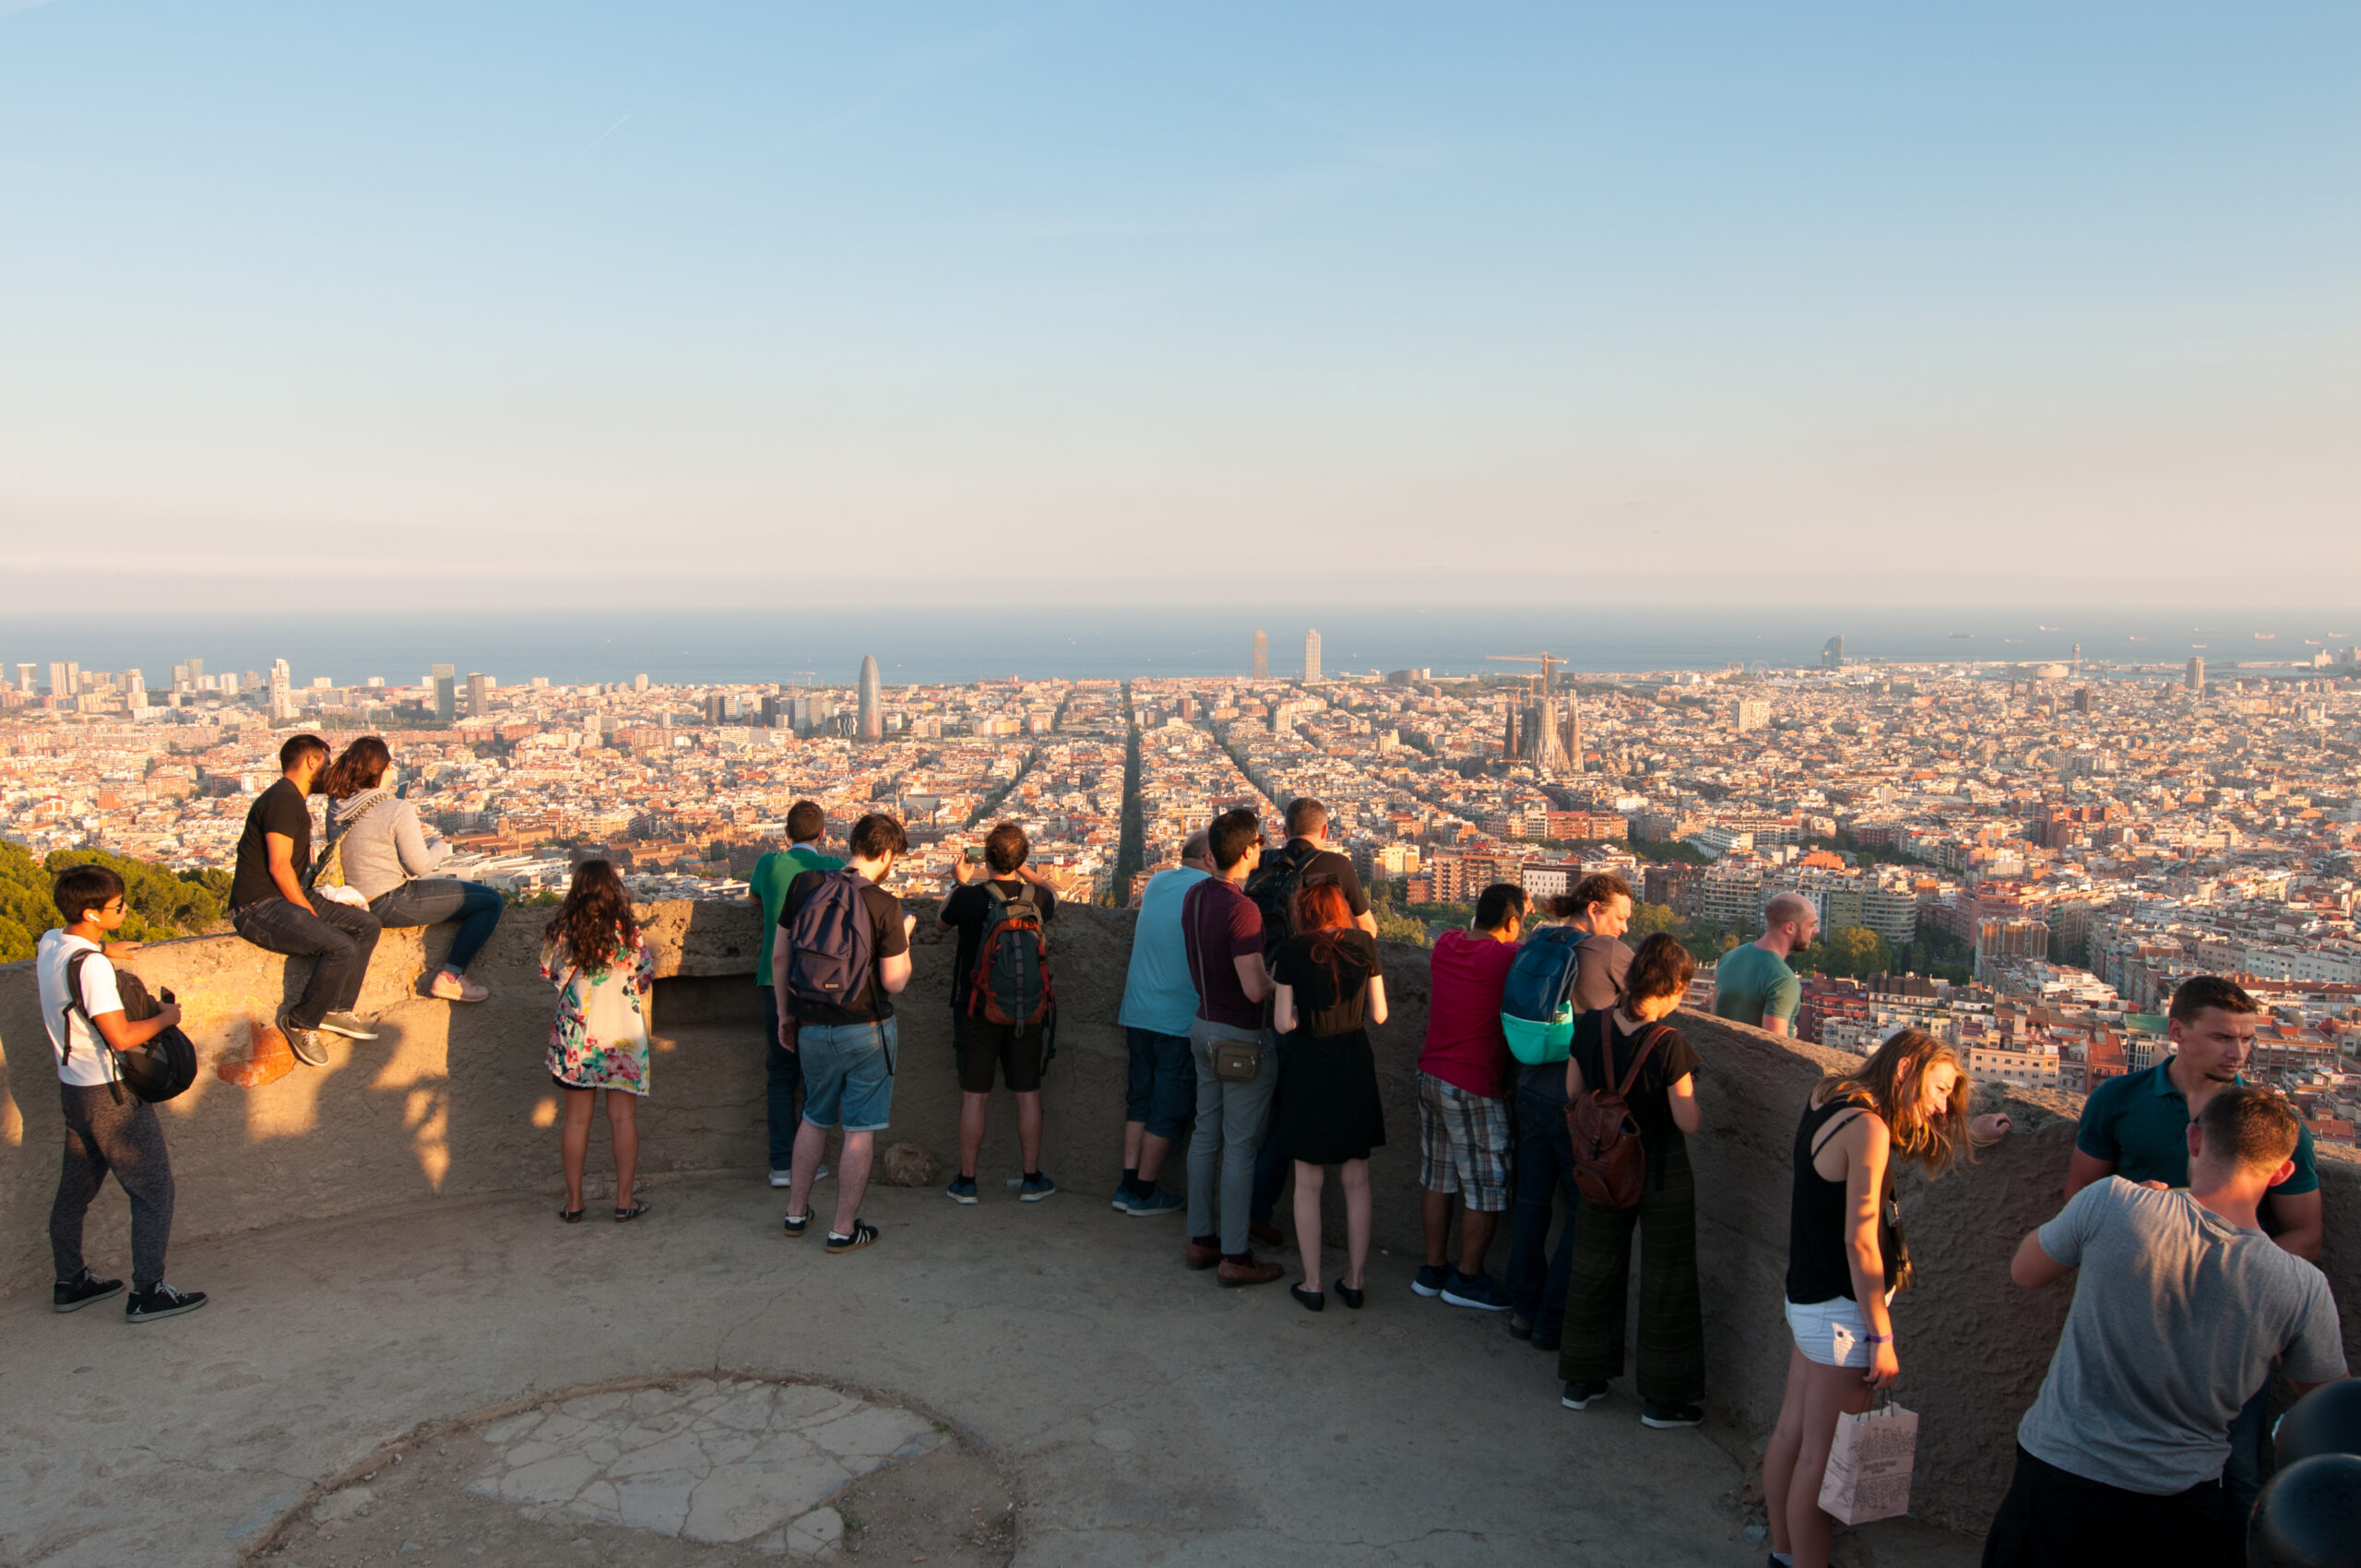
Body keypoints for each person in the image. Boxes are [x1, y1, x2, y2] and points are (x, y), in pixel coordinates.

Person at [1985, 1086, 2346, 1568]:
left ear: (2193, 1139)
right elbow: (2330, 1404)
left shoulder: (2115, 1203)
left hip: (2062, 1470)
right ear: (2283, 1172)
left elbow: (2025, 1271)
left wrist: (2143, 1204)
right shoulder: (2301, 1286)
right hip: (2182, 1497)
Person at [2065, 974, 2325, 1521]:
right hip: (2131, 1317)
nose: (2239, 1052)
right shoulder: (2119, 1101)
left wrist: (2242, 1284)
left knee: (2239, 1476)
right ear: (2178, 1031)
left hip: (2230, 1327)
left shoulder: (2274, 1125)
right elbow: (2080, 1200)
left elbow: (2305, 1231)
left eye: (2248, 1039)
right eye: (2223, 1037)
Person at [1762, 1028, 2011, 1568]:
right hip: (1842, 1316)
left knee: (1790, 1436)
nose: (1942, 1104)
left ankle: (1782, 1553)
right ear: (1904, 1071)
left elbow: (1884, 1146)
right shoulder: (1870, 1128)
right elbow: (1861, 1240)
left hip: (1806, 1299)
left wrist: (1965, 1131)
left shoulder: (1831, 1094)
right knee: (1821, 1462)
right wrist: (1882, 1335)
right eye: (1940, 1089)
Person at [39, 863, 206, 1323]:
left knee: (75, 1189)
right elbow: (122, 1037)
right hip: (110, 1095)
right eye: (117, 906)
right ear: (92, 912)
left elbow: (79, 961)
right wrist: (168, 1017)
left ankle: (69, 1281)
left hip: (73, 1088)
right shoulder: (91, 966)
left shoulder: (52, 943)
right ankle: (148, 1292)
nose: (125, 909)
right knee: (154, 1190)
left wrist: (106, 948)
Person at [1557, 934, 1705, 1427]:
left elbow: (1574, 1092)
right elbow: (1687, 1122)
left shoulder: (1589, 1026)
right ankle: (1664, 1399)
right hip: (1659, 1165)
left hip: (1602, 1159)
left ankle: (1581, 1378)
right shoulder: (1670, 1045)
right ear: (1672, 988)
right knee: (1668, 1276)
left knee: (1594, 1263)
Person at [1502, 874, 1634, 1346]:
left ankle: (1522, 1307)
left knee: (1532, 1204)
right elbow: (1654, 1003)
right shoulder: (1608, 952)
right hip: (1577, 1102)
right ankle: (1553, 1319)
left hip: (1529, 1086)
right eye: (1619, 918)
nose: (1622, 929)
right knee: (1582, 1214)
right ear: (1595, 908)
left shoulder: (1538, 937)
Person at [773, 813, 913, 1256]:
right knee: (859, 1130)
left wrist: (785, 1016)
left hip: (811, 1023)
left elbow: (780, 958)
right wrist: (905, 936)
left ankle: (796, 1211)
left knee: (814, 1116)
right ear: (887, 855)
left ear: (851, 843)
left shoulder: (804, 886)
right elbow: (895, 982)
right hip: (866, 1028)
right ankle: (842, 1228)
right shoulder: (885, 905)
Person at [1246, 796, 1377, 1243]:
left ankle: (1249, 1209)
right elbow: (1367, 932)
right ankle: (1254, 1210)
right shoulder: (1336, 865)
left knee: (1271, 1113)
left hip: (1270, 993)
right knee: (1295, 1123)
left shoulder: (1264, 861)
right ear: (1324, 830)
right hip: (1325, 1019)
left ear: (1287, 828)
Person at [227, 733, 383, 1067]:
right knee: (340, 947)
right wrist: (306, 909)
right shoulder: (283, 800)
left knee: (366, 925)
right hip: (258, 906)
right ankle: (301, 1020)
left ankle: (337, 1009)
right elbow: (279, 865)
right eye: (326, 762)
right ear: (312, 761)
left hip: (282, 897)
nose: (330, 770)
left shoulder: (290, 800)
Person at [1271, 882, 1390, 1313]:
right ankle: (1355, 1282)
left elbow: (1282, 1022)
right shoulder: (1364, 944)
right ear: (1340, 909)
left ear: (1303, 912)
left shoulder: (1291, 952)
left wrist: (1307, 1016)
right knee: (1357, 1180)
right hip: (1355, 1065)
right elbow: (1379, 1014)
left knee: (1308, 1181)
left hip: (1310, 1066)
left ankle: (1314, 1283)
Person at [1182, 808, 1284, 1288]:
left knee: (1206, 1135)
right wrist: (1277, 978)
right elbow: (1253, 989)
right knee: (1241, 1147)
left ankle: (1201, 1239)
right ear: (1247, 851)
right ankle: (1236, 1255)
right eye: (1258, 844)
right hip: (1239, 1035)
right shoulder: (1242, 909)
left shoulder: (1195, 895)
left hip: (1201, 1025)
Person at [321, 736, 503, 1003]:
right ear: (382, 771)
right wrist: (442, 847)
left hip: (353, 901)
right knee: (490, 901)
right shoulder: (395, 808)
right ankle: (451, 976)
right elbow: (420, 866)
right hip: (390, 900)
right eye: (389, 766)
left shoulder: (336, 806)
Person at [1414, 882, 1526, 1312]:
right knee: (1485, 1187)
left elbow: (1467, 932)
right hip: (1475, 1084)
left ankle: (1432, 1269)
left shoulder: (1445, 945)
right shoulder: (1507, 957)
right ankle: (1467, 1278)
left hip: (1430, 1074)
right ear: (1512, 922)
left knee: (1437, 1177)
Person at [937, 820, 1060, 1205]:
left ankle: (968, 1181)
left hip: (977, 1008)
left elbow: (940, 923)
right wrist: (1024, 868)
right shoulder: (1036, 899)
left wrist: (961, 881)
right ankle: (1031, 1178)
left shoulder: (969, 898)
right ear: (1021, 858)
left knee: (975, 1096)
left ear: (985, 858)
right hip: (1028, 1009)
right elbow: (1055, 892)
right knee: (1028, 1095)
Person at [540, 860, 656, 1223]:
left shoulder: (563, 929)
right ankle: (624, 1202)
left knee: (575, 1122)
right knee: (622, 1119)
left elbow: (548, 971)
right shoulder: (628, 932)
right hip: (621, 1035)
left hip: (575, 1035)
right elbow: (645, 976)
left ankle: (574, 1204)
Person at [1112, 829, 1214, 1216]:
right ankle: (1144, 1191)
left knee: (1139, 1098)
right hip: (1178, 1016)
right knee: (1168, 1106)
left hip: (1137, 1010)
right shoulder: (1210, 891)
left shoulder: (1156, 882)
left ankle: (1126, 1185)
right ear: (1209, 859)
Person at [747, 801, 843, 1187]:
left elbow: (756, 899)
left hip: (774, 982)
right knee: (816, 1074)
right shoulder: (834, 867)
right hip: (818, 982)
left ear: (786, 834)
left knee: (780, 1074)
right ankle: (810, 1162)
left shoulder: (768, 865)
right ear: (822, 834)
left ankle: (782, 1164)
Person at [1713, 891, 1817, 1037]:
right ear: (1789, 928)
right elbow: (1773, 1048)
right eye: (1812, 925)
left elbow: (1714, 1021)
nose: (1816, 931)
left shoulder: (1729, 958)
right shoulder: (1783, 980)